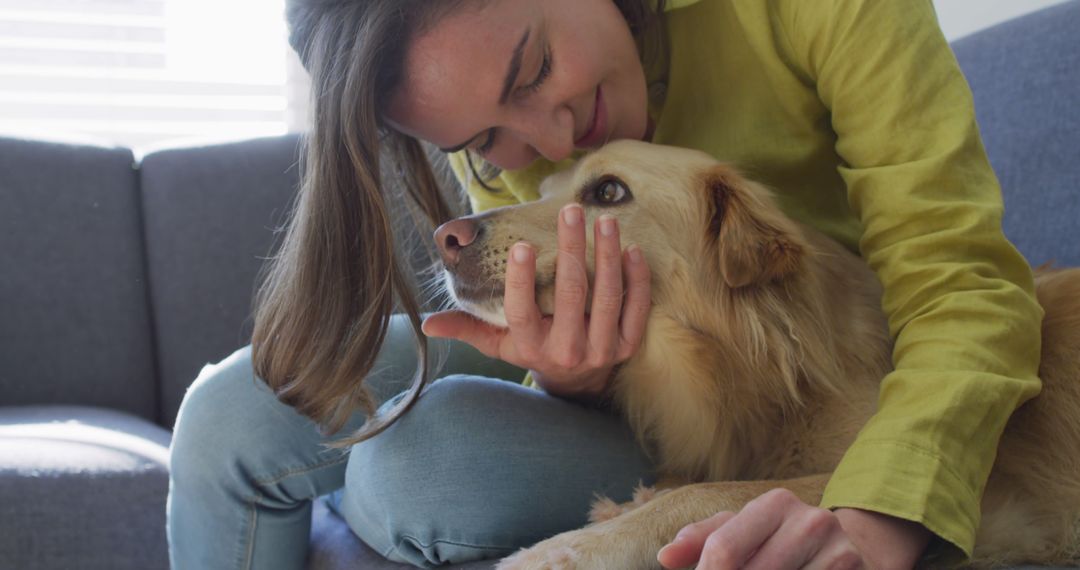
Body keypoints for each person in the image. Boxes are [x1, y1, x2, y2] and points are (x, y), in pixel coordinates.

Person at [167, 0, 1045, 568]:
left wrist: (885, 512)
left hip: (796, 369)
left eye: (533, 70)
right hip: (631, 392)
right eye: (483, 141)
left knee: (414, 475)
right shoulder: (525, 160)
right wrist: (571, 377)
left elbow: (962, 280)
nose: (547, 141)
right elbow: (533, 262)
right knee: (225, 415)